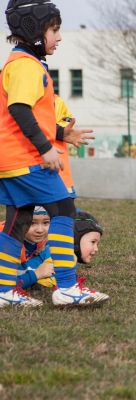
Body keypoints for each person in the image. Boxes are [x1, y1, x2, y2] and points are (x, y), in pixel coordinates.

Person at [0, 0, 108, 307]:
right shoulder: (25, 66)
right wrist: (46, 148)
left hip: (8, 159)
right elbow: (18, 109)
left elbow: (22, 115)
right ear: (34, 29)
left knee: (17, 222)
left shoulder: (19, 63)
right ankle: (67, 287)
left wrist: (61, 134)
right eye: (54, 29)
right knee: (63, 209)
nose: (58, 37)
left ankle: (4, 290)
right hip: (24, 157)